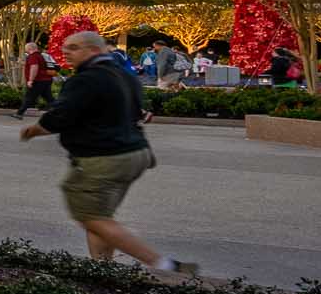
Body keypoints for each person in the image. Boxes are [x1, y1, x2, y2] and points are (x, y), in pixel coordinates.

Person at [23, 30, 193, 276]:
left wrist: (33, 130)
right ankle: (102, 270)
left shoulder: (85, 79)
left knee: (90, 216)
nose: (66, 52)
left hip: (104, 158)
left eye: (73, 48)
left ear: (93, 50)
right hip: (136, 154)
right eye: (65, 48)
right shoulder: (126, 75)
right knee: (102, 218)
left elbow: (58, 117)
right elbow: (139, 113)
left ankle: (163, 264)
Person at [19, 38, 57, 119]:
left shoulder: (33, 56)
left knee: (29, 97)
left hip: (38, 81)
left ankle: (19, 113)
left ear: (30, 48)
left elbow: (34, 67)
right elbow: (38, 66)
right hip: (46, 80)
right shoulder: (40, 55)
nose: (26, 51)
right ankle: (61, 112)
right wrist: (24, 64)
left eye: (26, 49)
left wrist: (30, 80)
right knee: (49, 98)